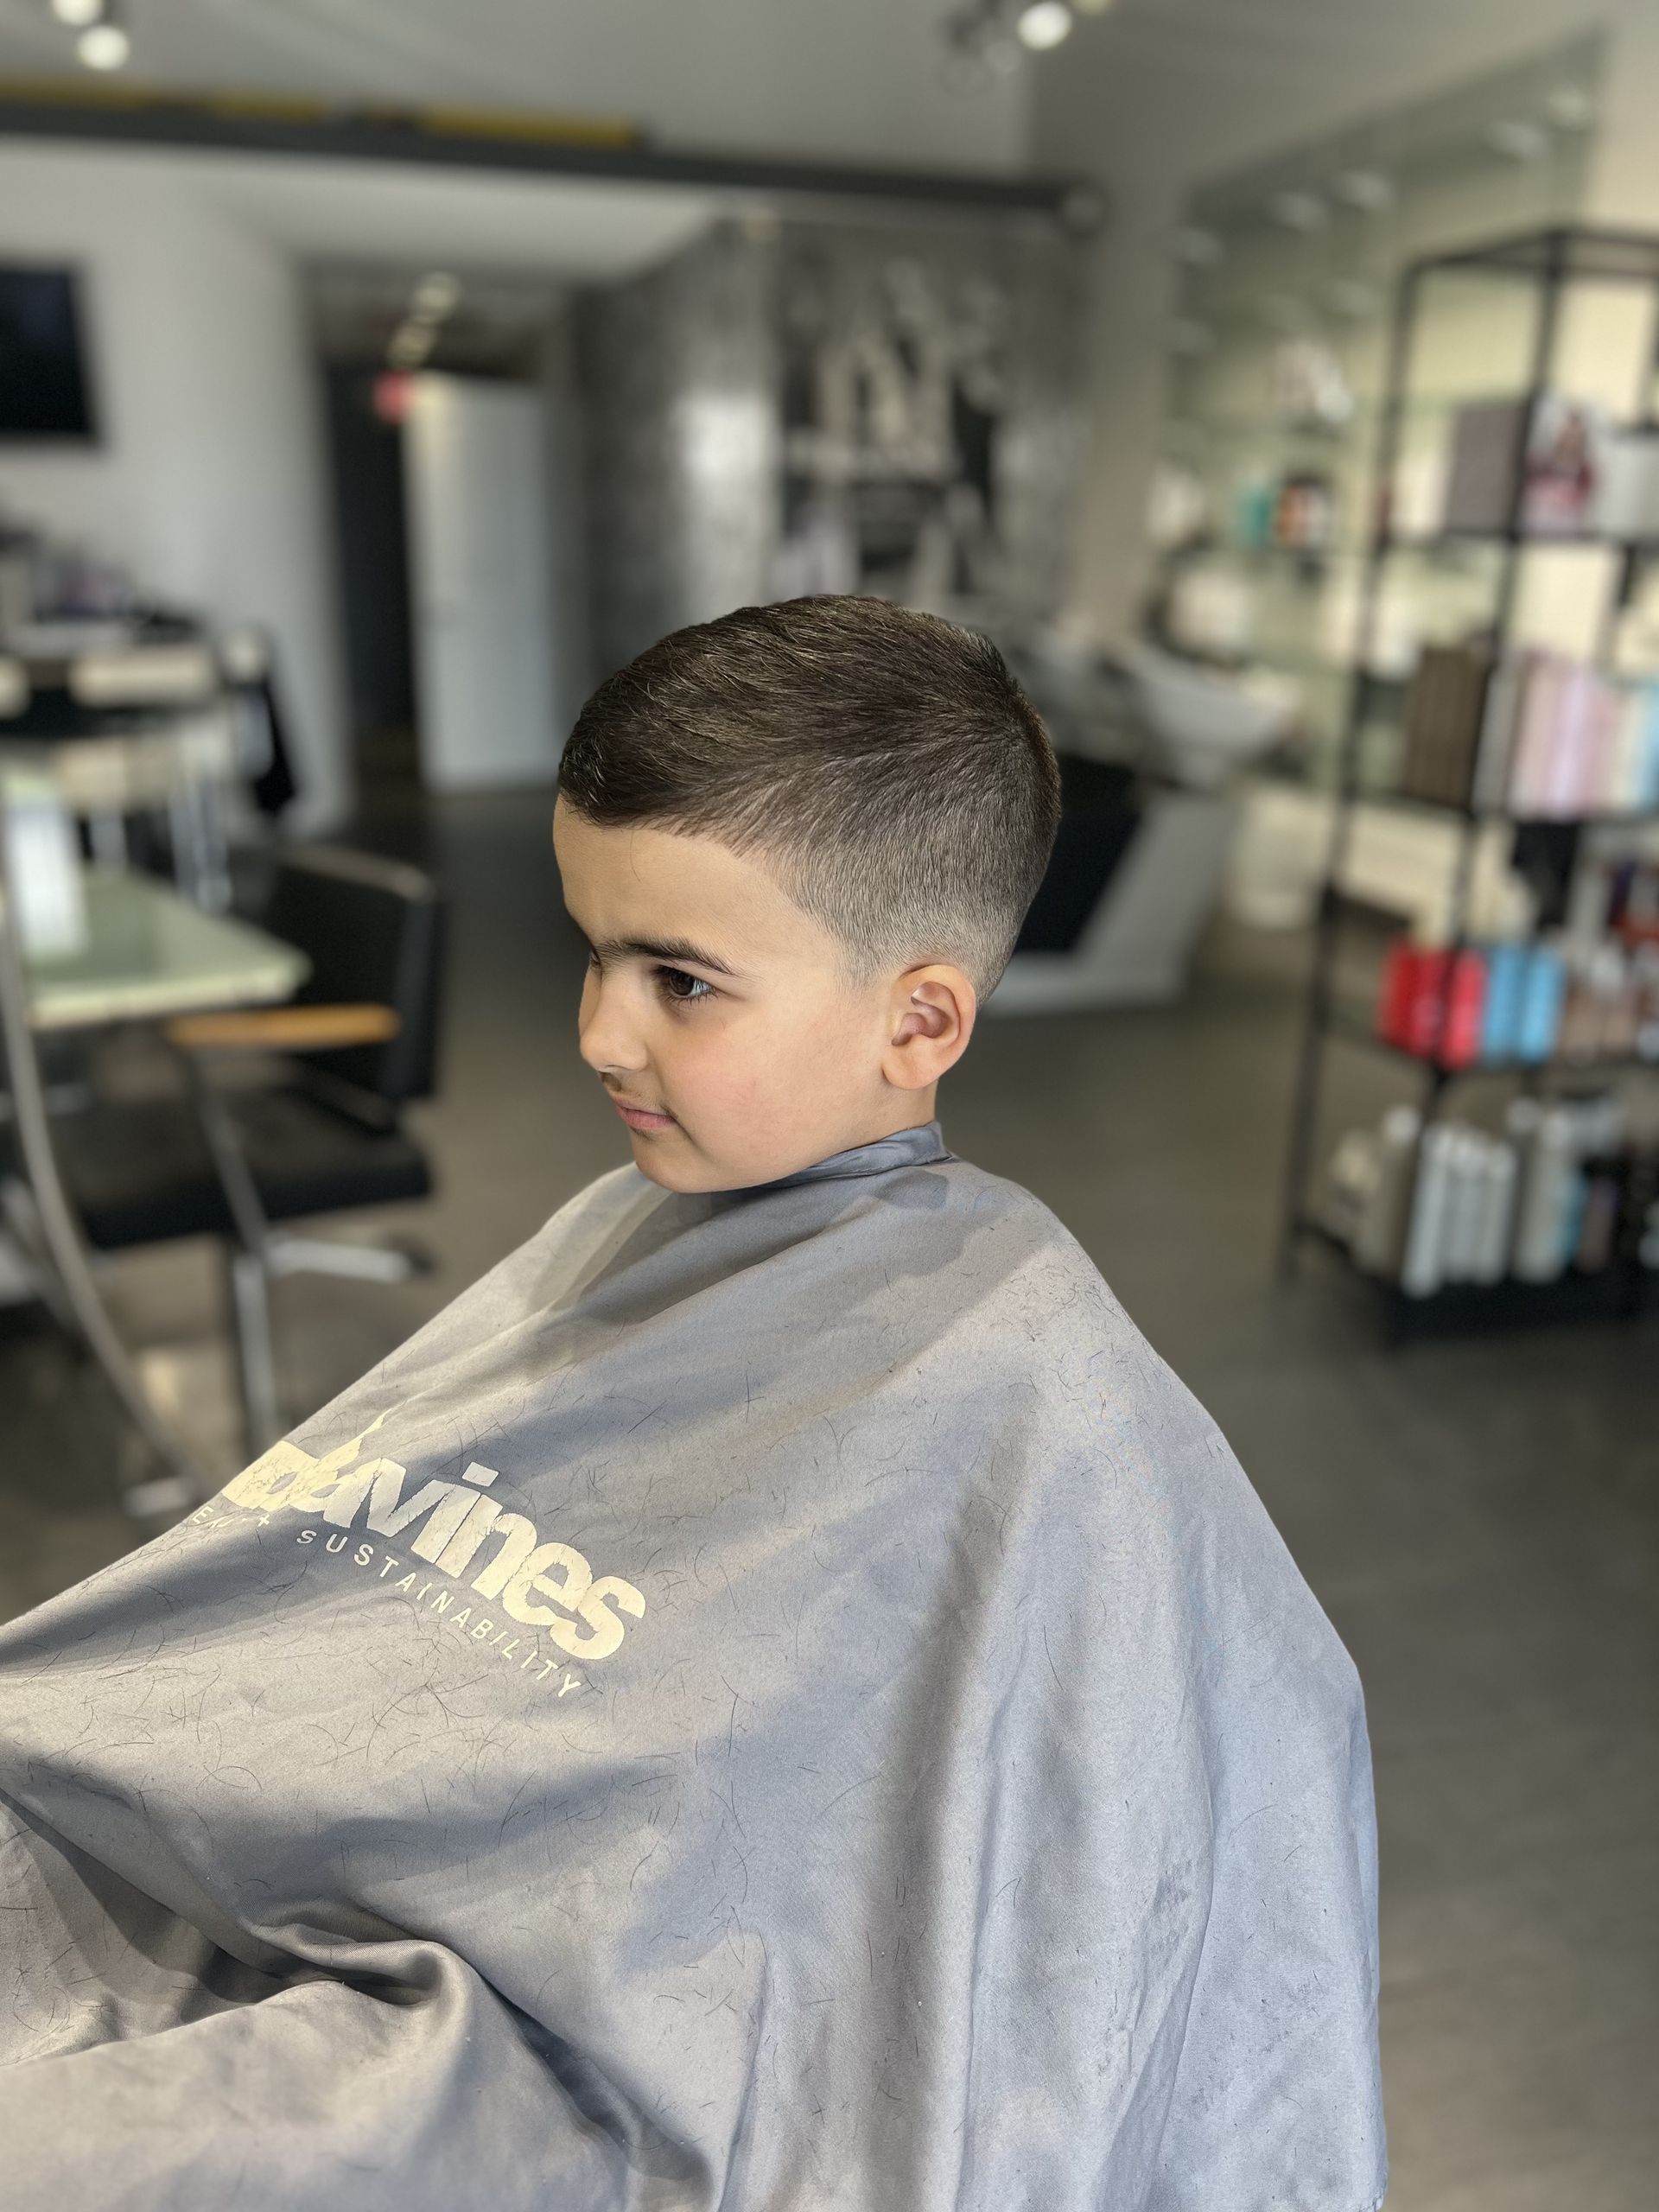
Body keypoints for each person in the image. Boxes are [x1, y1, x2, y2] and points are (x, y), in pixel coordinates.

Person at [0, 597, 1385, 2211]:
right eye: (595, 953)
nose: (601, 1032)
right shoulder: (626, 1229)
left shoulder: (1056, 1415)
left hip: (535, 2055)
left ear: (920, 1018)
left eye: (680, 980)